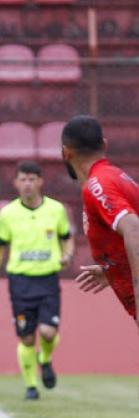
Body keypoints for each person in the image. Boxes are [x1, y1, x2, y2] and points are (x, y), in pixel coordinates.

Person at [0, 161, 74, 400]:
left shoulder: (56, 210)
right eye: (23, 179)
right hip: (20, 281)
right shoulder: (8, 213)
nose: (27, 184)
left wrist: (67, 254)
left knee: (47, 332)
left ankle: (44, 358)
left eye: (32, 179)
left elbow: (67, 237)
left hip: (47, 279)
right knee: (26, 336)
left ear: (40, 182)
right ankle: (31, 386)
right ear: (16, 183)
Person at [63, 115, 139, 329]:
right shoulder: (115, 177)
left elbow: (134, 228)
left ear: (65, 152)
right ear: (104, 145)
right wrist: (115, 269)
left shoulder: (97, 186)